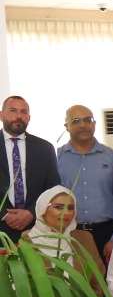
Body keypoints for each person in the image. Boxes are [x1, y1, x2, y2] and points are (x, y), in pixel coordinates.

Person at [55, 105, 113, 260]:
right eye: (76, 121)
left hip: (106, 234)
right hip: (68, 233)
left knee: (107, 276)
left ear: (94, 124)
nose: (83, 125)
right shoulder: (56, 159)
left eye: (87, 120)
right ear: (66, 126)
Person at [2, 95, 63, 241]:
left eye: (24, 112)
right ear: (1, 115)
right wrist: (4, 214)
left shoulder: (45, 148)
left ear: (29, 118)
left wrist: (31, 212)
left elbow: (52, 187)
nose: (19, 116)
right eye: (13, 110)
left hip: (36, 228)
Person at [23, 186, 103, 277]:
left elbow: (98, 279)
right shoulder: (27, 240)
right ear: (43, 209)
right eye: (59, 207)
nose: (66, 213)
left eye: (71, 208)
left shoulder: (84, 238)